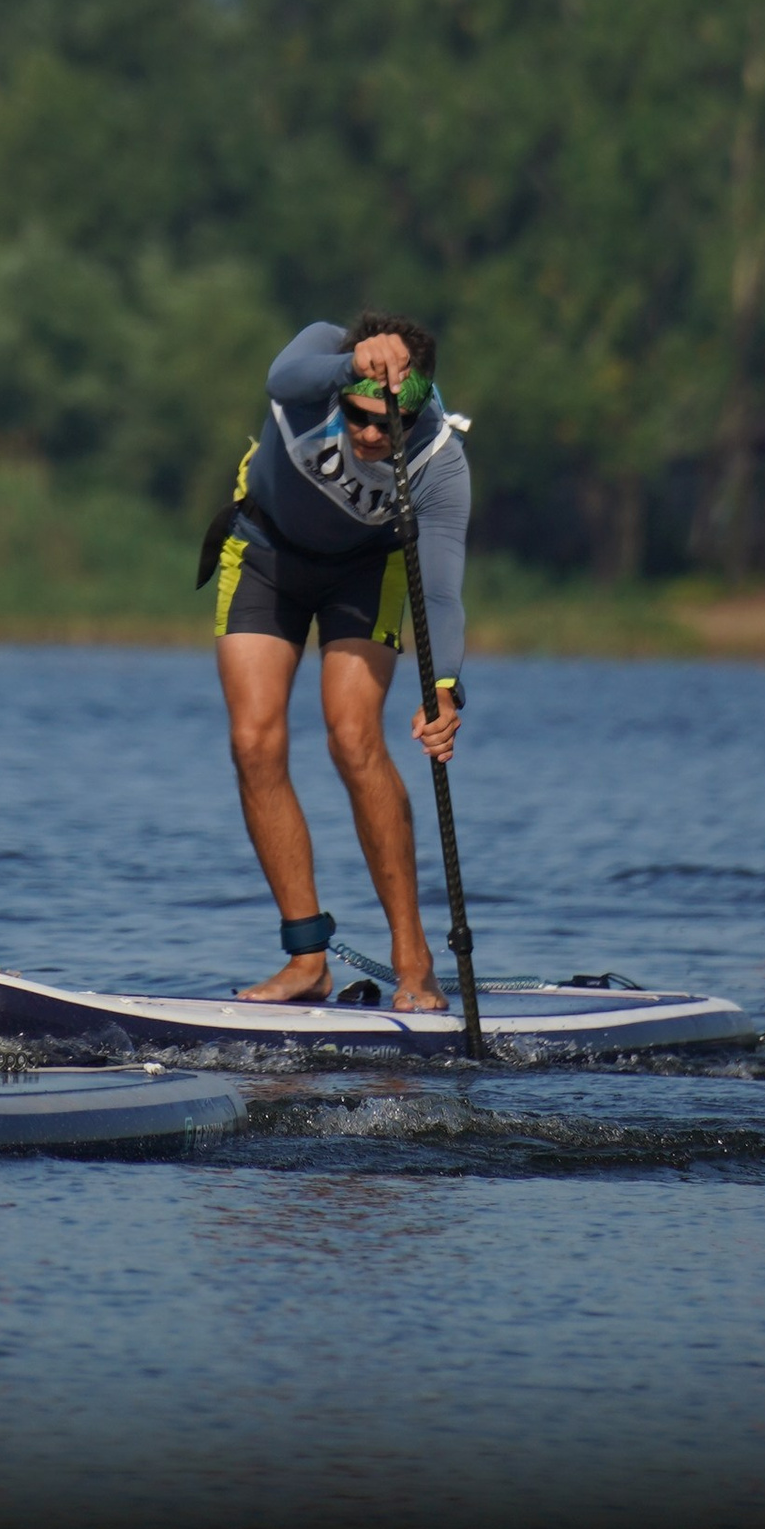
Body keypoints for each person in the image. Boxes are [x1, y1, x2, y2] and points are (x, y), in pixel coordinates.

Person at [207, 312, 469, 1012]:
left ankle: (414, 962)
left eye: (388, 425)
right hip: (264, 555)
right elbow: (280, 375)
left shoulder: (439, 463)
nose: (370, 435)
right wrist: (352, 363)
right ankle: (306, 959)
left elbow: (440, 591)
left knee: (354, 737)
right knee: (254, 740)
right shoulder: (318, 367)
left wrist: (444, 688)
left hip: (363, 575)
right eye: (358, 417)